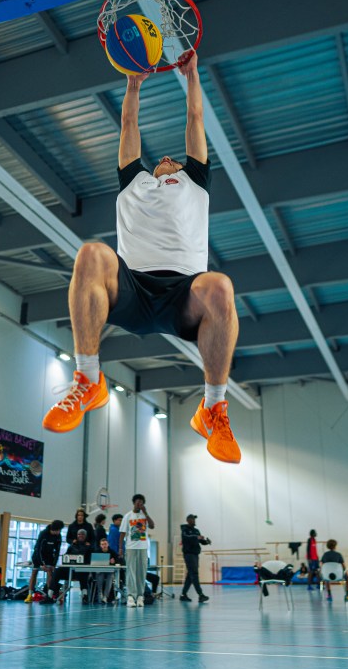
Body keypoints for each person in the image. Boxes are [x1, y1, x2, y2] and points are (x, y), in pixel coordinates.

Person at [42, 50, 241, 465]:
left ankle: (213, 408)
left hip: (183, 295)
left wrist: (191, 76)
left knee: (220, 286)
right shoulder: (133, 180)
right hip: (130, 288)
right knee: (91, 252)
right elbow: (128, 124)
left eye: (174, 161)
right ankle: (88, 379)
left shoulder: (195, 180)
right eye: (161, 160)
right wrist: (132, 86)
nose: (166, 159)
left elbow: (195, 119)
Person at [120, 494, 155, 607]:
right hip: (131, 548)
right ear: (134, 503)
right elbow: (122, 533)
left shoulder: (144, 516)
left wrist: (146, 513)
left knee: (141, 572)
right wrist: (121, 548)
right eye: (138, 501)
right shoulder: (128, 516)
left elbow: (152, 526)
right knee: (131, 572)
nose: (140, 503)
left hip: (143, 548)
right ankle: (131, 596)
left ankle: (140, 596)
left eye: (142, 502)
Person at [24, 519, 64, 605]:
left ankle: (49, 595)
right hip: (38, 556)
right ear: (55, 529)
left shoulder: (58, 536)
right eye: (59, 530)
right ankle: (30, 595)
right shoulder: (43, 534)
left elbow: (57, 551)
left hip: (49, 556)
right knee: (34, 573)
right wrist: (42, 564)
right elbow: (38, 549)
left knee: (50, 573)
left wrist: (53, 564)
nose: (59, 532)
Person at [179, 514, 210, 603]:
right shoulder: (184, 530)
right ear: (188, 520)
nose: (194, 520)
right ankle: (200, 595)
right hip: (189, 554)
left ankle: (183, 595)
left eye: (194, 519)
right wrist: (196, 537)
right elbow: (186, 538)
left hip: (195, 554)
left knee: (190, 575)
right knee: (194, 574)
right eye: (192, 519)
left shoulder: (196, 531)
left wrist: (206, 542)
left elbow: (200, 541)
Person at [65, 528, 92, 602]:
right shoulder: (72, 546)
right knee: (61, 572)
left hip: (83, 569)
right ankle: (62, 594)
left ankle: (85, 595)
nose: (80, 536)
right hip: (72, 569)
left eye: (82, 534)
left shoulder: (89, 546)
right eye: (79, 534)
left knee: (84, 575)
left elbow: (89, 559)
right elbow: (66, 556)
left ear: (85, 536)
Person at [93, 536, 120, 604]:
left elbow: (118, 560)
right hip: (100, 570)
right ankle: (100, 594)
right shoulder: (97, 552)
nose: (104, 546)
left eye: (105, 544)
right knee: (100, 574)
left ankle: (105, 596)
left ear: (108, 544)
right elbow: (93, 562)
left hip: (109, 571)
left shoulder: (112, 552)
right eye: (102, 544)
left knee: (110, 576)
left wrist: (114, 561)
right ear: (100, 545)